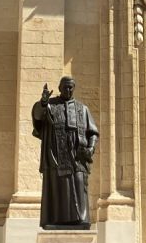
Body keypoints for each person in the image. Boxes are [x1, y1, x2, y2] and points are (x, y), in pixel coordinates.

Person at [31, 76, 99, 228]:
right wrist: (43, 103)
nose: (68, 90)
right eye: (65, 87)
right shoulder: (51, 105)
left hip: (77, 156)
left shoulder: (82, 109)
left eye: (71, 87)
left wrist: (91, 148)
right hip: (56, 155)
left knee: (79, 185)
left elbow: (93, 132)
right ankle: (56, 220)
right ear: (60, 88)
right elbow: (38, 116)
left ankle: (80, 220)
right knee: (58, 188)